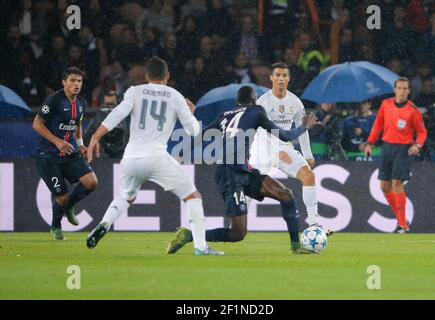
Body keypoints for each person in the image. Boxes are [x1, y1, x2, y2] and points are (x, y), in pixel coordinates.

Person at [85, 57, 223, 256]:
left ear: (146, 76)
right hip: (157, 157)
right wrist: (191, 113)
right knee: (193, 197)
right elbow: (193, 131)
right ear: (167, 76)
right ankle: (201, 247)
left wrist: (95, 137)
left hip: (131, 157)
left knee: (126, 196)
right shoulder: (175, 96)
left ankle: (104, 224)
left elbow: (117, 114)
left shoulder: (134, 92)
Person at [166, 86, 321, 255]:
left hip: (242, 171)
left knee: (285, 194)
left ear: (237, 102)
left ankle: (295, 246)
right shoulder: (257, 111)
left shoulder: (225, 115)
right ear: (254, 101)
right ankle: (189, 235)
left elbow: (203, 135)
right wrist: (304, 126)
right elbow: (284, 136)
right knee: (237, 233)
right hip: (229, 174)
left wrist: (180, 155)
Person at [249, 62, 322, 230]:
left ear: (289, 79)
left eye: (284, 76)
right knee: (249, 190)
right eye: (278, 75)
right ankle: (235, 220)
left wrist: (308, 155)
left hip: (284, 148)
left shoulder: (295, 103)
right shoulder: (262, 103)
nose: (281, 79)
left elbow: (302, 129)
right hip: (263, 151)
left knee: (309, 176)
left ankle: (313, 221)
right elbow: (252, 129)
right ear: (271, 78)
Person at [33, 67, 98, 240]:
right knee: (61, 197)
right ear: (64, 82)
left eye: (79, 81)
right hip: (48, 156)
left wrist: (81, 144)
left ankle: (69, 206)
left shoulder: (82, 103)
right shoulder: (54, 100)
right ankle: (55, 226)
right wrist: (57, 141)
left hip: (68, 152)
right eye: (72, 81)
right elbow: (37, 124)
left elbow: (77, 125)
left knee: (91, 182)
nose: (76, 84)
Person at [364, 77, 427, 233]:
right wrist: (370, 143)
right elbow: (378, 124)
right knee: (384, 187)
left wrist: (417, 145)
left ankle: (403, 226)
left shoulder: (413, 110)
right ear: (395, 89)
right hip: (387, 148)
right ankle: (401, 220)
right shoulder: (386, 105)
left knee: (396, 183)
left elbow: (421, 131)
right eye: (399, 88)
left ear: (409, 91)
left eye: (405, 88)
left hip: (403, 149)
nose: (402, 91)